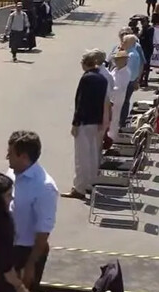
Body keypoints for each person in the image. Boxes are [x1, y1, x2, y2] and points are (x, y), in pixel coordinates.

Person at [3, 131, 58, 292]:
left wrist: (31, 265)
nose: (7, 156)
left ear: (23, 156)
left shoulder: (44, 187)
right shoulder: (13, 174)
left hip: (28, 250)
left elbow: (44, 231)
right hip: (9, 247)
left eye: (11, 152)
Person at [63, 50, 109, 200]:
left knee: (81, 156)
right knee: (92, 154)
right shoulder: (102, 79)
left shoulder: (86, 79)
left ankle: (79, 188)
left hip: (85, 121)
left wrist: (75, 122)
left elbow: (81, 103)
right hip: (96, 121)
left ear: (85, 64)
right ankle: (90, 182)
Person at [108, 51, 132, 140]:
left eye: (118, 60)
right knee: (109, 117)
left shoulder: (126, 72)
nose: (116, 61)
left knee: (115, 117)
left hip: (117, 97)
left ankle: (112, 137)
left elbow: (120, 88)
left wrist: (110, 90)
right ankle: (108, 135)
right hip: (111, 96)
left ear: (124, 60)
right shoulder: (115, 70)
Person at [139, 15, 155, 87]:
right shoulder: (143, 28)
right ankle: (141, 79)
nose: (142, 23)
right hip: (142, 48)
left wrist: (144, 30)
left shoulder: (150, 29)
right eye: (141, 22)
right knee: (142, 65)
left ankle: (145, 80)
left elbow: (147, 38)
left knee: (146, 65)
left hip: (148, 49)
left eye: (143, 21)